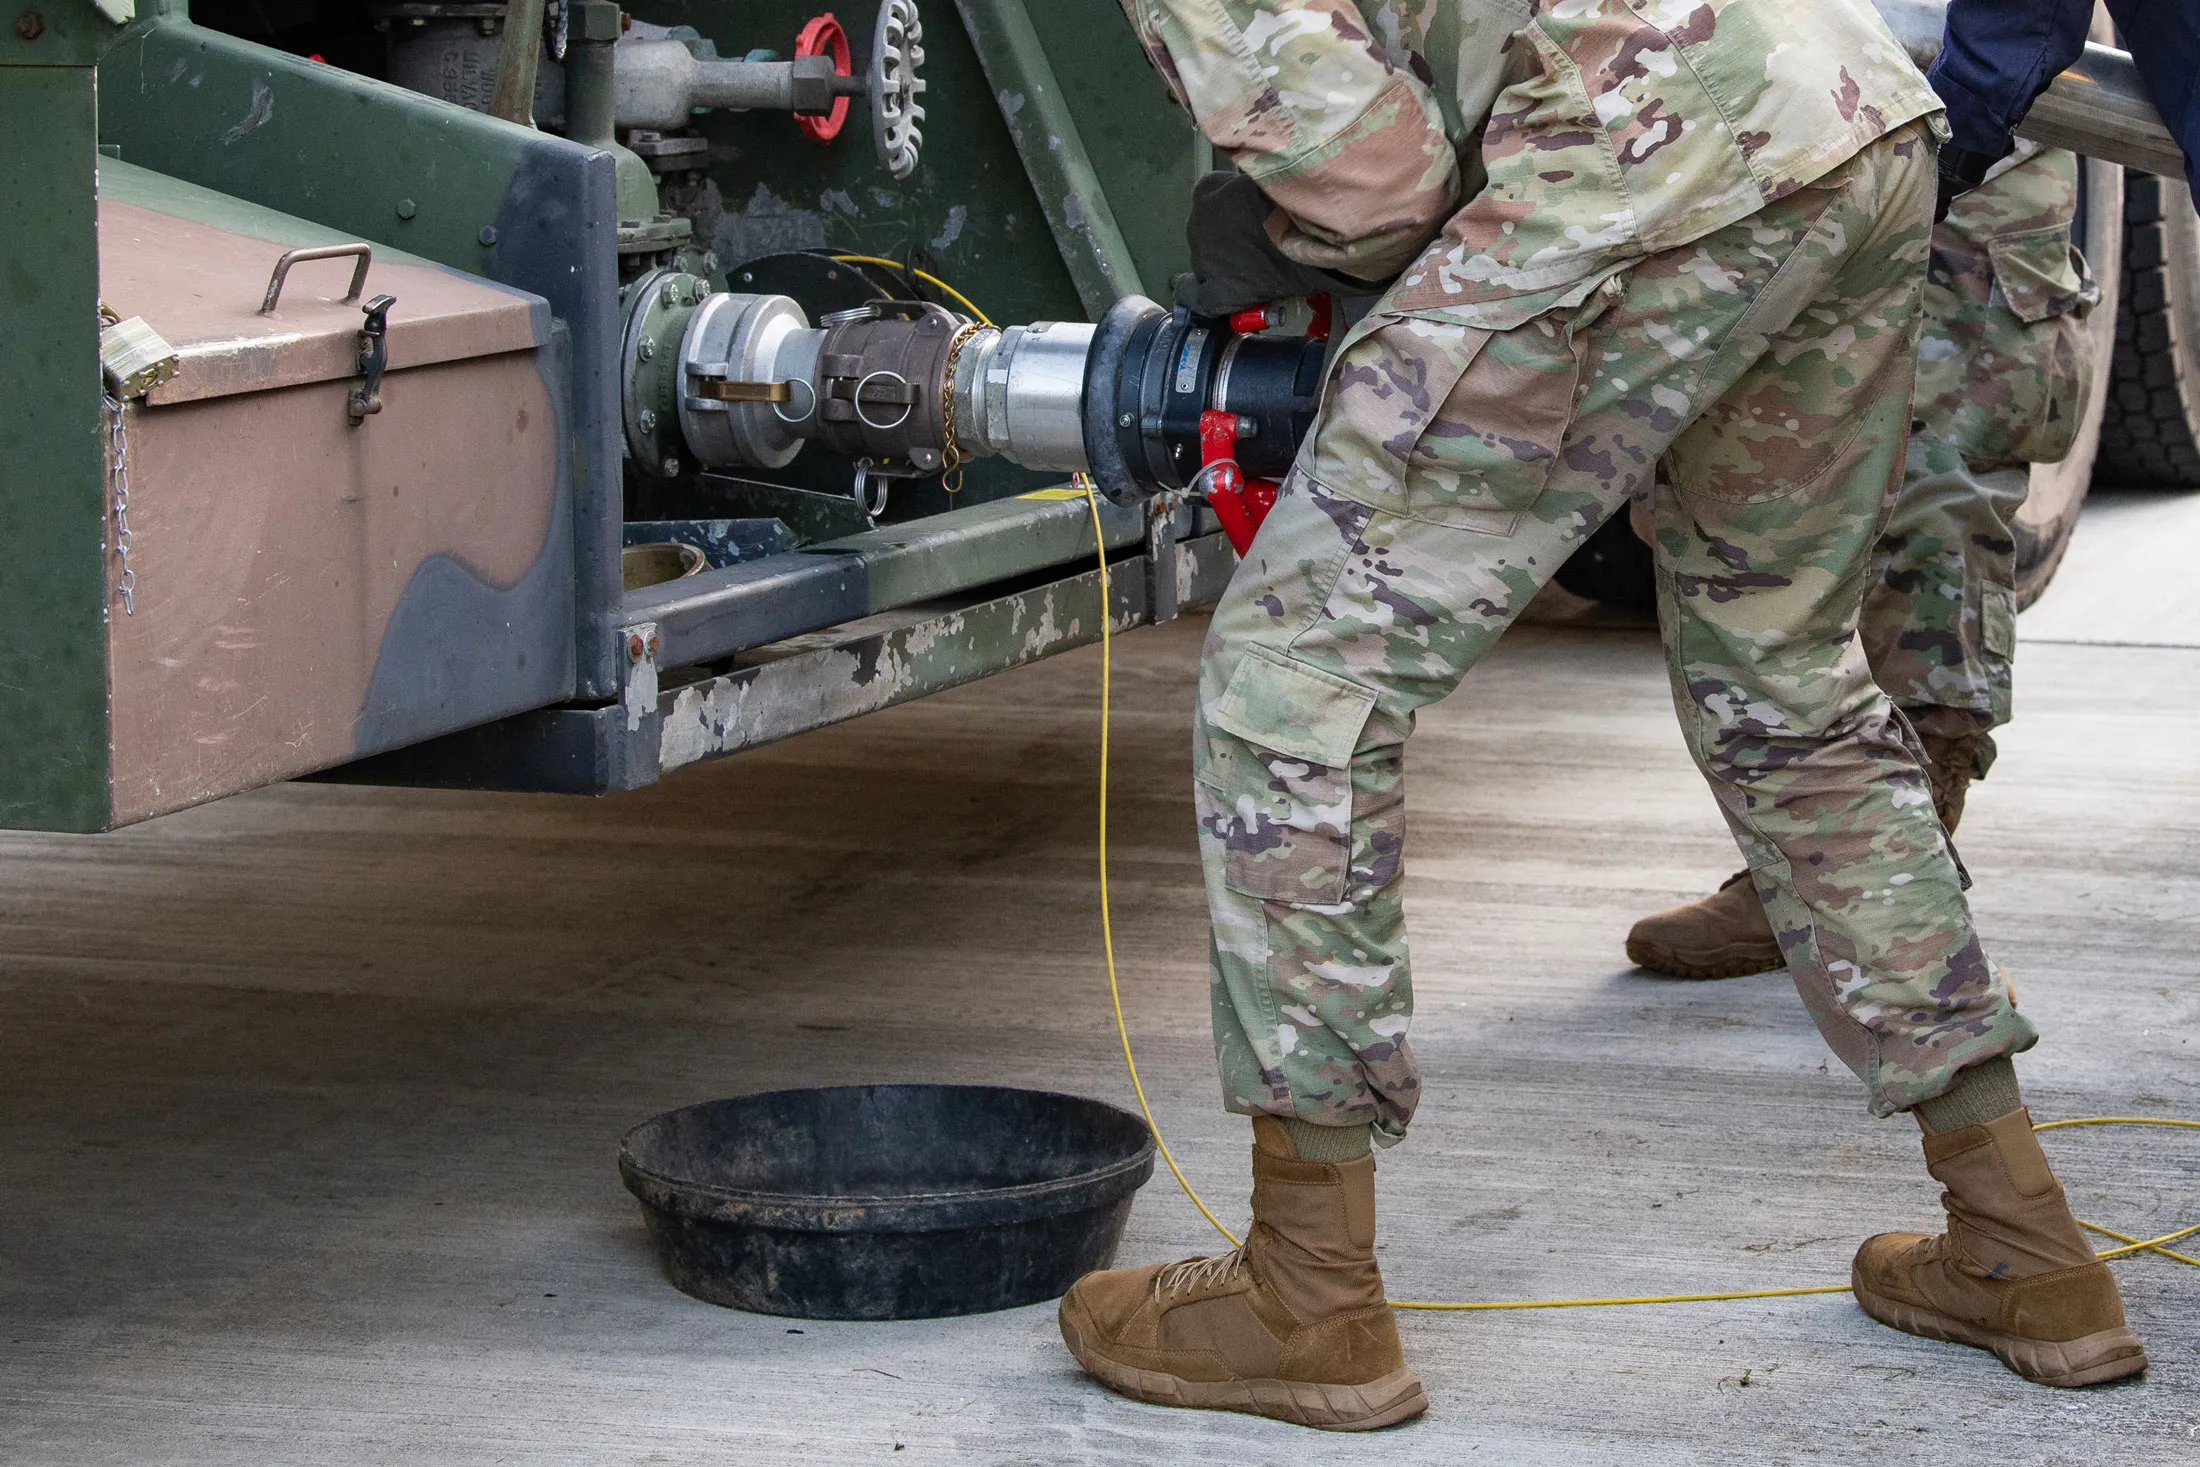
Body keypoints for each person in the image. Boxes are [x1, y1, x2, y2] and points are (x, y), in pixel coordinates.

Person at [1056, 0, 2146, 1431]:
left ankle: (1308, 1293)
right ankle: (2026, 1243)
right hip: (1849, 109)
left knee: (1296, 681)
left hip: (1658, 139)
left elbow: (1377, 187)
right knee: (1789, 683)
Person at [1627, 141, 2100, 979]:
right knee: (1737, 486)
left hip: (1964, 115)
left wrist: (1976, 92)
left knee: (1934, 494)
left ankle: (1882, 881)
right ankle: (1815, 861)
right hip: (1763, 109)